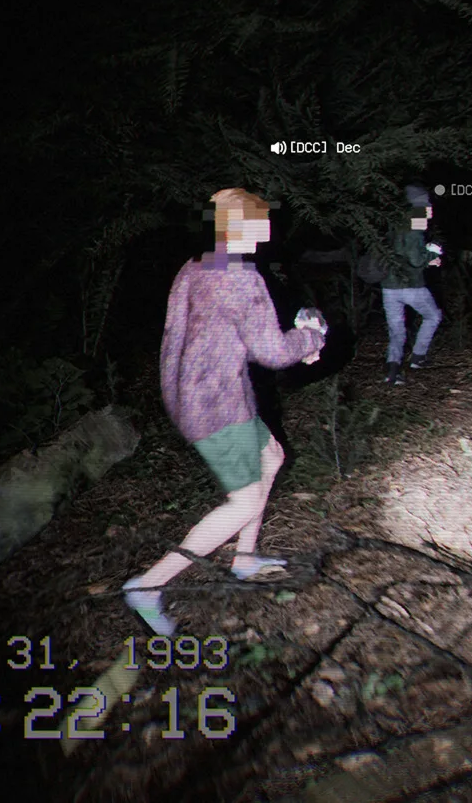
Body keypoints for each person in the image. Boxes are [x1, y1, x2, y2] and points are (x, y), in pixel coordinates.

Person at [123, 188, 328, 637]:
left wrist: (294, 343)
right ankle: (148, 586)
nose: (268, 225)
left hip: (198, 396)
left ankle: (244, 559)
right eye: (261, 218)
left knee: (271, 457)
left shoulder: (197, 266)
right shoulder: (240, 277)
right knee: (244, 502)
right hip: (216, 406)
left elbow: (207, 337)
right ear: (240, 226)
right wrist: (310, 338)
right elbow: (273, 352)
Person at [382, 183, 444, 384]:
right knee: (433, 316)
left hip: (389, 286)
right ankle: (418, 357)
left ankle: (392, 371)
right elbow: (416, 259)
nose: (430, 210)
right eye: (427, 206)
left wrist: (424, 255)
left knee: (396, 330)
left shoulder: (394, 222)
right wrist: (432, 254)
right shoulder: (415, 223)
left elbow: (403, 251)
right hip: (410, 285)